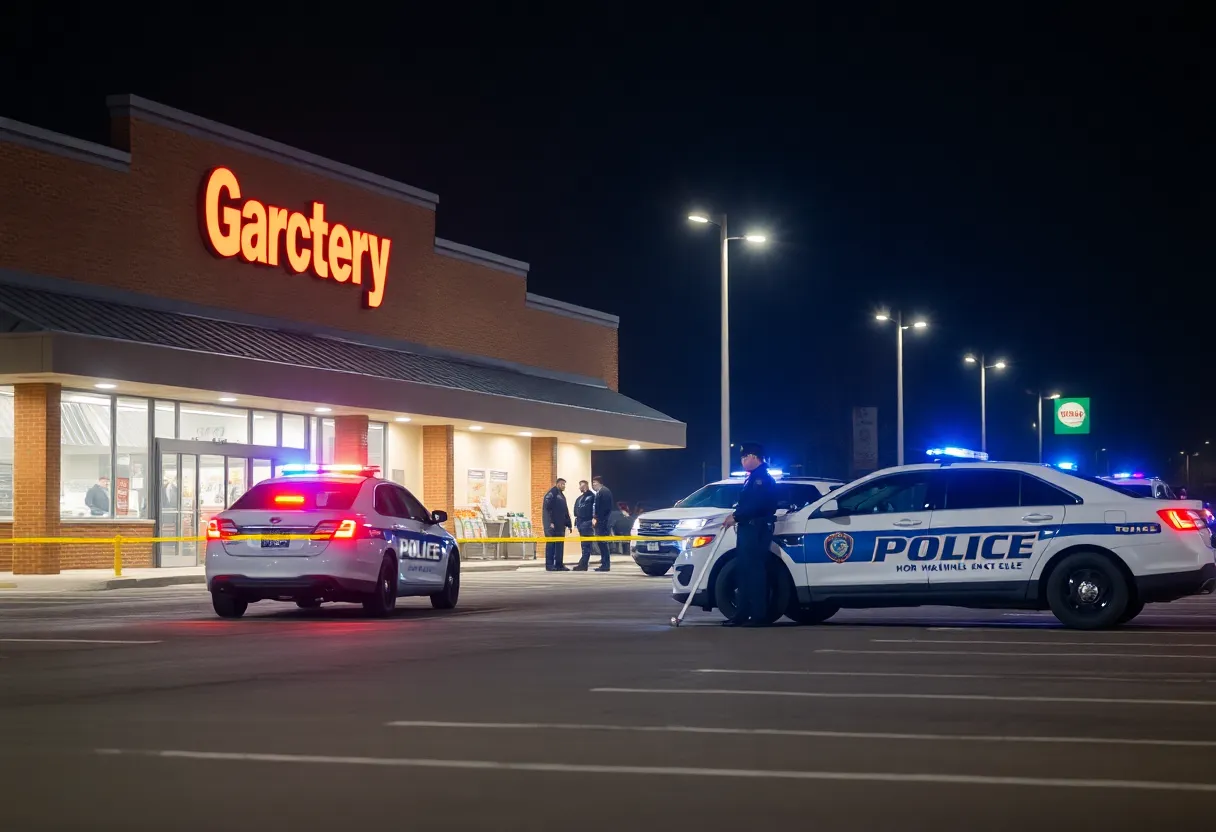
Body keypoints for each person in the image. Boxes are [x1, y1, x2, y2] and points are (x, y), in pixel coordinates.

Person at [721, 443, 779, 627]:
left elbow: (756, 505)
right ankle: (742, 614)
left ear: (754, 457)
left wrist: (736, 516)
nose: (743, 461)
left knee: (753, 572)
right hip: (749, 528)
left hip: (756, 529)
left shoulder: (761, 479)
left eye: (745, 457)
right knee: (744, 571)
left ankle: (758, 615)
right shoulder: (754, 478)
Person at [578, 475, 614, 572]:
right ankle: (604, 564)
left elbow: (604, 508)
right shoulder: (599, 492)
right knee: (601, 543)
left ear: (600, 483)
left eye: (595, 483)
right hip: (601, 522)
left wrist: (597, 518)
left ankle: (605, 565)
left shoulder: (604, 492)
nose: (593, 485)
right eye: (593, 483)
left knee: (603, 543)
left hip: (603, 522)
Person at [541, 478, 571, 571]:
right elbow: (547, 508)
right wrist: (550, 522)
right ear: (557, 484)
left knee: (559, 546)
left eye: (564, 485)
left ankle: (559, 564)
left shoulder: (561, 496)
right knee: (551, 545)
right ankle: (549, 565)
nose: (564, 486)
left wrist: (568, 523)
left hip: (560, 526)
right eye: (562, 484)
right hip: (552, 525)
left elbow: (565, 510)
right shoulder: (552, 493)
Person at [573, 479, 596, 568]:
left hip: (587, 522)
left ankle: (583, 564)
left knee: (586, 545)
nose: (580, 488)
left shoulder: (592, 497)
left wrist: (593, 519)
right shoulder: (580, 498)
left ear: (586, 486)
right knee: (583, 545)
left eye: (582, 486)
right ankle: (583, 563)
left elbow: (594, 509)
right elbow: (576, 511)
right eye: (580, 486)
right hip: (580, 523)